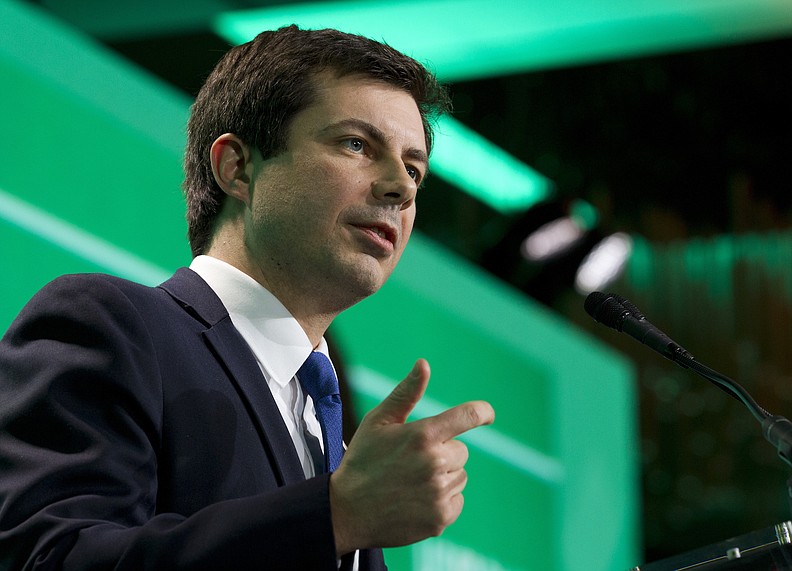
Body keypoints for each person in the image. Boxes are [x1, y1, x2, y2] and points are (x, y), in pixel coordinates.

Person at [0, 25, 495, 570]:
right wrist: (334, 516)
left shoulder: (332, 426)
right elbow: (50, 559)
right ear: (237, 167)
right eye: (357, 145)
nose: (400, 187)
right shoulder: (110, 326)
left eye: (414, 169)